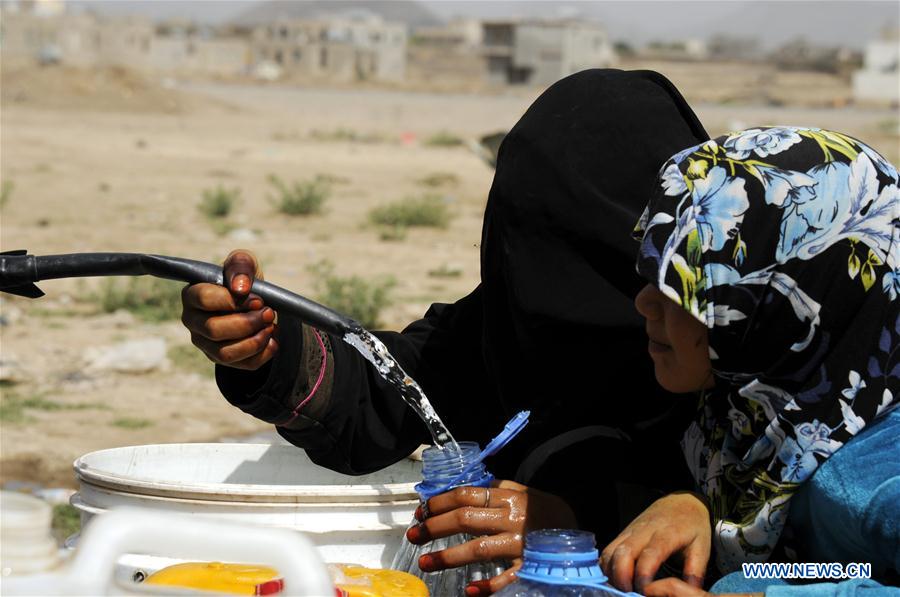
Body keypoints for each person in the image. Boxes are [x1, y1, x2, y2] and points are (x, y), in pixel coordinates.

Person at [180, 68, 710, 586]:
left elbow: (761, 556)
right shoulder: (505, 326)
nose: (646, 304)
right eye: (534, 248)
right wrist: (269, 345)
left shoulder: (738, 368)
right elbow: (387, 393)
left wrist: (593, 519)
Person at [412, 126, 899, 596]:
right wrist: (688, 507)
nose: (644, 302)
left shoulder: (871, 479)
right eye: (651, 274)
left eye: (684, 288)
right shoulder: (753, 413)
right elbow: (829, 568)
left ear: (781, 307)